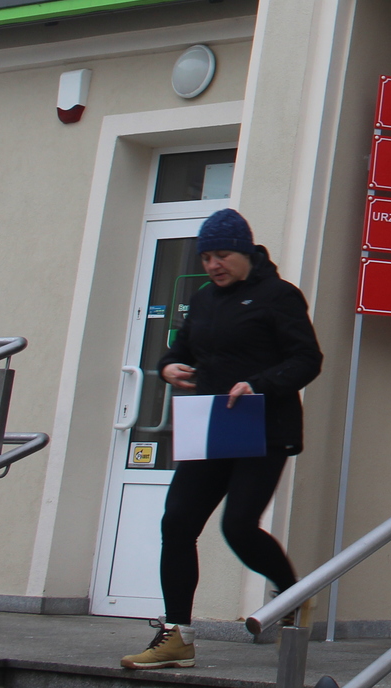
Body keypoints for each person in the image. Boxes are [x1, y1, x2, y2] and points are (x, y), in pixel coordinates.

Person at [122, 208, 324, 670]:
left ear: (245, 251)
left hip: (263, 429)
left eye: (222, 255)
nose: (213, 265)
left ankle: (291, 595)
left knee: (238, 525)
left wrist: (259, 383)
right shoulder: (204, 299)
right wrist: (168, 367)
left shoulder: (278, 296)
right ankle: (177, 636)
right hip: (211, 426)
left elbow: (307, 359)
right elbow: (180, 348)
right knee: (177, 523)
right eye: (206, 257)